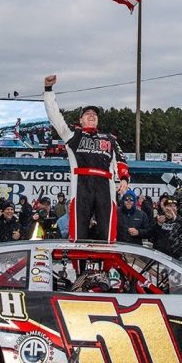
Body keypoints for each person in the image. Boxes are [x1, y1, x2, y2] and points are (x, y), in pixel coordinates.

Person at [44, 74, 130, 242]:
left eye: (95, 114)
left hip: (105, 185)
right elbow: (54, 117)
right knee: (79, 231)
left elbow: (121, 159)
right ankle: (78, 257)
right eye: (87, 113)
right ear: (80, 119)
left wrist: (124, 178)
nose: (92, 115)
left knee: (107, 230)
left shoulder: (109, 139)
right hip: (82, 185)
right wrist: (48, 90)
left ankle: (107, 257)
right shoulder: (73, 136)